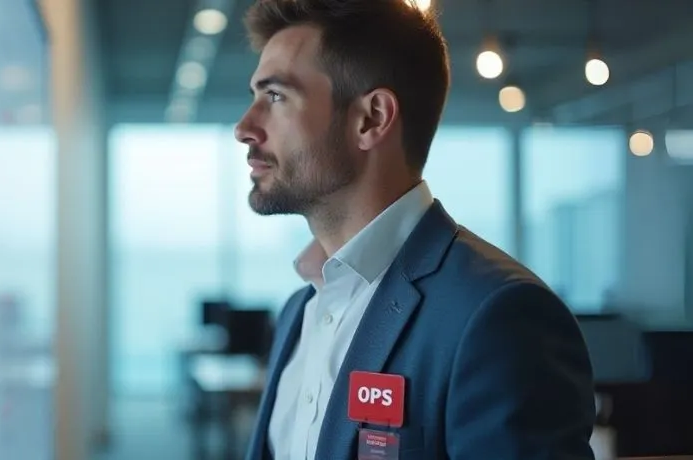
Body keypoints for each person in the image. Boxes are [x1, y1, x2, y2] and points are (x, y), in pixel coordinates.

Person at [234, 1, 596, 459]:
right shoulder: (298, 311)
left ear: (372, 118)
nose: (244, 127)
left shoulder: (498, 316)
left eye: (276, 97)